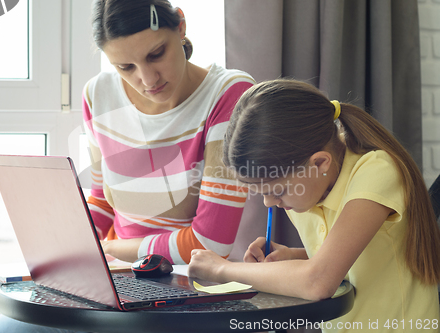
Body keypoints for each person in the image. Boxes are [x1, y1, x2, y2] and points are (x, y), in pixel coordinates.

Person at [0, 0, 256, 331]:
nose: (147, 78)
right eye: (125, 67)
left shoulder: (230, 94)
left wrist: (107, 250)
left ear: (181, 27)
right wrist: (46, 276)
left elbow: (208, 244)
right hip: (116, 278)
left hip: (188, 287)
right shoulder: (97, 94)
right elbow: (102, 200)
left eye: (156, 54)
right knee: (10, 326)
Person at [188, 79, 440, 332]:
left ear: (320, 163)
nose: (270, 203)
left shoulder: (377, 171)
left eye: (278, 191)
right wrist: (293, 256)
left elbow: (319, 281)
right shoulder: (308, 189)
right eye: (262, 194)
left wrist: (223, 269)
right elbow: (358, 255)